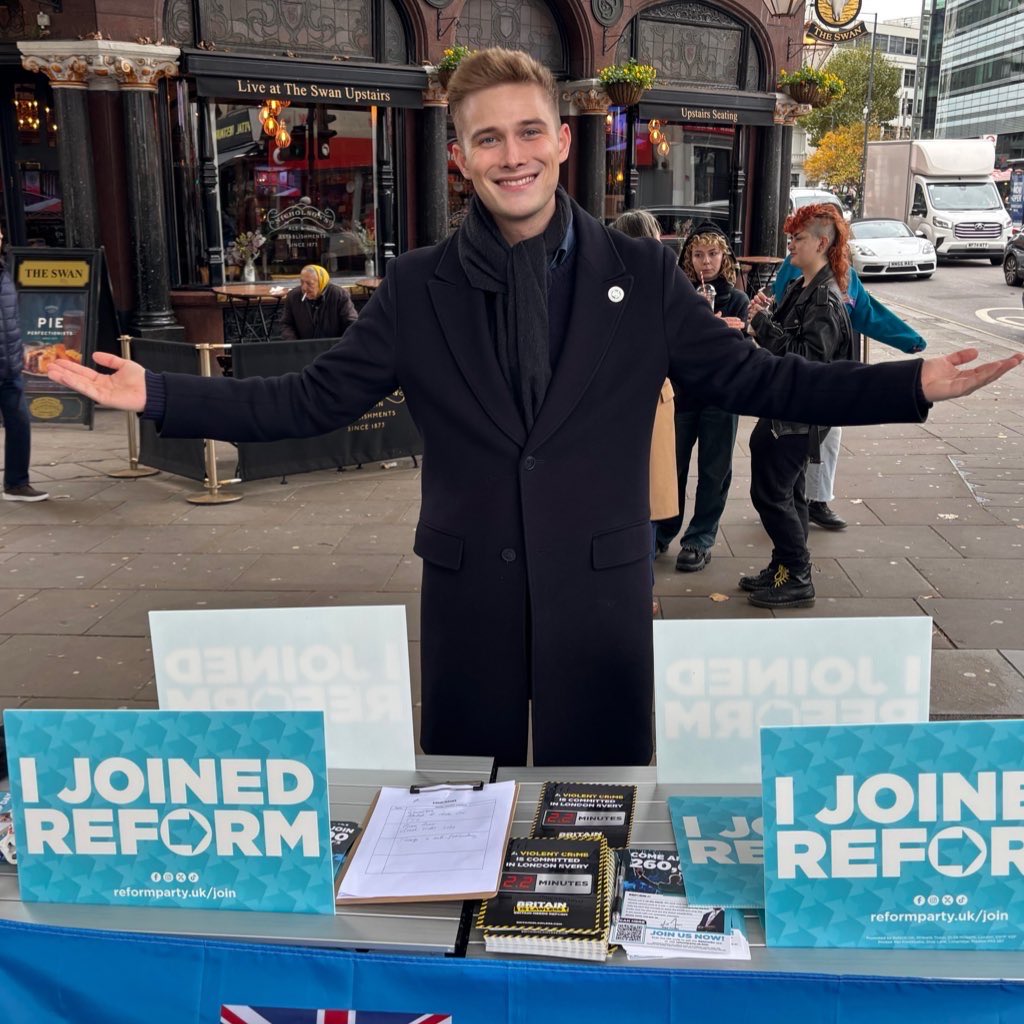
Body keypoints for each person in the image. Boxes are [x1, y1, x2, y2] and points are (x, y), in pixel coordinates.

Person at [47, 49, 1023, 767]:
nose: (509, 154)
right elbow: (313, 398)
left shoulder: (641, 276)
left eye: (527, 131)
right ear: (461, 159)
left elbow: (764, 381)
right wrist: (160, 392)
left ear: (560, 141)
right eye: (485, 137)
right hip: (468, 594)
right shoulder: (415, 287)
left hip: (600, 593)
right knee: (465, 809)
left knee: (594, 810)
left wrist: (911, 383)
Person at [743, 204, 856, 609]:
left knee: (772, 494)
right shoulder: (802, 288)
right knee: (788, 494)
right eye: (791, 235)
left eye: (799, 237)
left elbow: (806, 362)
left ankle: (797, 573)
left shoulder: (824, 299)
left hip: (797, 416)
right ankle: (783, 568)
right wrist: (766, 314)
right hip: (784, 409)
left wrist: (761, 326)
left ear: (822, 243)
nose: (791, 243)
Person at [772, 257, 927, 531]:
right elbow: (778, 313)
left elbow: (869, 313)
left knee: (829, 435)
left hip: (833, 371)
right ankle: (784, 501)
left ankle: (815, 500)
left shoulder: (847, 275)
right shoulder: (794, 268)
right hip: (797, 371)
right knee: (790, 439)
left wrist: (907, 338)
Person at [655, 222, 749, 573]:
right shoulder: (681, 295)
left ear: (724, 257)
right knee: (671, 467)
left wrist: (724, 332)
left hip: (721, 398)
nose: (705, 262)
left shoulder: (735, 299)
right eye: (698, 254)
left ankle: (700, 537)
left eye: (712, 254)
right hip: (683, 395)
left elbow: (741, 355)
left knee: (714, 470)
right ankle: (664, 529)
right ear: (688, 257)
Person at [610, 209, 678, 615]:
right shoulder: (655, 287)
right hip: (644, 410)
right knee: (641, 510)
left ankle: (638, 590)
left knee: (635, 509)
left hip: (638, 409)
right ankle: (641, 591)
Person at [0, 225, 49, 503]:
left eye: (0, 235)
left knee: (19, 422)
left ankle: (17, 483)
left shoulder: (4, 271)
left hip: (9, 364)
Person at [278, 264, 358, 340]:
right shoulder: (293, 296)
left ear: (321, 283)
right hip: (302, 348)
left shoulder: (339, 295)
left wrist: (342, 344)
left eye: (310, 284)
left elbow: (351, 323)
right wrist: (294, 345)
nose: (304, 288)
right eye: (302, 282)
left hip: (333, 347)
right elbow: (286, 324)